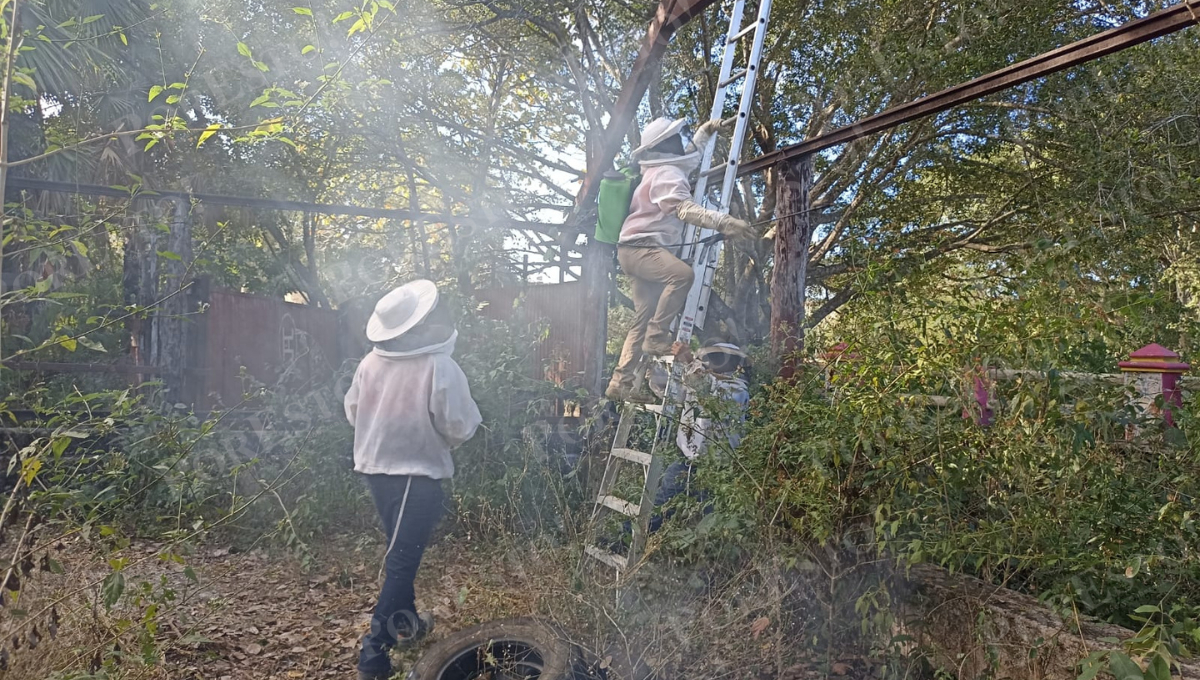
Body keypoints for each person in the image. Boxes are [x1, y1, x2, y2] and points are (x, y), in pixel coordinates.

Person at [344, 279, 482, 680]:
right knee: (402, 563)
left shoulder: (369, 363)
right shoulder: (439, 365)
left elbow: (353, 412)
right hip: (416, 479)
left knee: (399, 554)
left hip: (375, 471)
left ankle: (406, 626)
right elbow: (458, 426)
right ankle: (373, 658)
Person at [605, 116, 757, 401]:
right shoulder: (666, 174)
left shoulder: (661, 168)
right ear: (666, 145)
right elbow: (683, 209)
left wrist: (706, 131)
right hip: (642, 249)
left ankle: (620, 382)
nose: (682, 141)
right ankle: (657, 337)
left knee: (642, 317)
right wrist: (725, 222)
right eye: (677, 137)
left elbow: (691, 157)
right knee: (683, 275)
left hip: (631, 251)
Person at [650, 341, 750, 532]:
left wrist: (688, 360)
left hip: (718, 470)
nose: (713, 362)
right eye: (712, 357)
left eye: (719, 358)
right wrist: (655, 367)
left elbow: (708, 390)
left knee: (712, 523)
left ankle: (707, 558)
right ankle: (622, 541)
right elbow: (672, 394)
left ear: (735, 365)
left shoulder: (737, 389)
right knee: (660, 509)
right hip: (684, 462)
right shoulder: (698, 381)